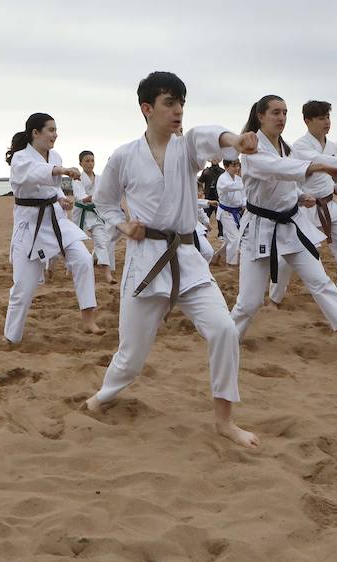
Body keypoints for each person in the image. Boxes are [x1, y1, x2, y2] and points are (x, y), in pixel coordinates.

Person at [84, 71, 260, 448]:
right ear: (147, 108)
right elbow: (104, 201)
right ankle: (103, 396)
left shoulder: (187, 147)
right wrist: (123, 225)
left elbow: (209, 136)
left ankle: (225, 421)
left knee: (224, 330)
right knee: (131, 357)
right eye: (169, 103)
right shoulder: (124, 156)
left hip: (186, 256)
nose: (178, 110)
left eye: (181, 103)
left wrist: (236, 140)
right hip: (145, 261)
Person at [229, 95, 337, 357]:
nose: (281, 118)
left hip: (291, 225)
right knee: (249, 302)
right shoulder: (252, 152)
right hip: (260, 228)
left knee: (321, 282)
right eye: (275, 112)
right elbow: (279, 169)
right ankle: (228, 340)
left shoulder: (284, 148)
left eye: (284, 113)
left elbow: (286, 182)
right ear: (260, 116)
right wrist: (323, 167)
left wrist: (300, 196)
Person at [268, 100, 337, 313]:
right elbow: (318, 163)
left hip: (329, 206)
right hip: (306, 209)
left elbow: (325, 174)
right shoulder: (300, 146)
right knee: (289, 257)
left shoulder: (332, 146)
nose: (326, 122)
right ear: (307, 121)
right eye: (321, 118)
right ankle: (274, 298)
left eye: (328, 117)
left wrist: (336, 186)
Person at [4, 113, 102, 342]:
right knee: (23, 288)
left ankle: (88, 318)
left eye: (56, 130)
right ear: (35, 133)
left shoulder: (54, 155)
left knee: (83, 260)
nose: (55, 134)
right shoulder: (20, 158)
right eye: (50, 130)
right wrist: (61, 170)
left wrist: (60, 198)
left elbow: (52, 186)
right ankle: (11, 337)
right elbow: (37, 174)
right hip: (30, 226)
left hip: (56, 219)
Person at [72, 150, 116, 284]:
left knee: (101, 242)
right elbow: (80, 196)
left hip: (95, 214)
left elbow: (106, 192)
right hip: (81, 214)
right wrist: (94, 197)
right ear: (80, 163)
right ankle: (70, 268)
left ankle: (108, 275)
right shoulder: (77, 178)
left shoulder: (100, 178)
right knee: (75, 243)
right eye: (87, 161)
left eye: (92, 161)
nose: (90, 164)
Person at [212, 159, 245, 266]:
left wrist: (245, 204)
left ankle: (217, 256)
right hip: (225, 213)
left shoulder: (239, 179)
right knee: (235, 238)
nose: (237, 168)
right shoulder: (222, 179)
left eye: (238, 165)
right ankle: (231, 263)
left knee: (229, 240)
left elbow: (243, 197)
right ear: (226, 167)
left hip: (236, 212)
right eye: (233, 166)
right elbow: (229, 187)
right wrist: (247, 183)